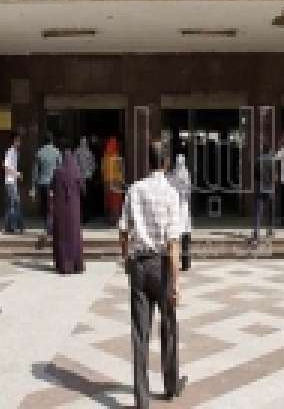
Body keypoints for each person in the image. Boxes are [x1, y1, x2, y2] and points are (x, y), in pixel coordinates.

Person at [118, 141, 187, 409]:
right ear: (166, 163)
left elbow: (123, 230)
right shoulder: (172, 193)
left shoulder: (134, 190)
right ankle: (170, 385)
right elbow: (174, 243)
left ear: (148, 162)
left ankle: (141, 398)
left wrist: (126, 258)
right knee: (169, 326)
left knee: (140, 332)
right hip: (162, 265)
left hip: (139, 264)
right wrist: (176, 283)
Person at [51, 147, 84, 274]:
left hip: (60, 208)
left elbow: (52, 187)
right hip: (74, 208)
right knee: (74, 235)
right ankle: (76, 264)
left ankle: (63, 264)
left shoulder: (57, 172)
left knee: (62, 234)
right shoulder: (76, 171)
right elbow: (82, 188)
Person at [30, 131, 62, 232]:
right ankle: (52, 226)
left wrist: (33, 186)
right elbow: (60, 168)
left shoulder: (39, 152)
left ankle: (47, 225)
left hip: (43, 183)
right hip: (54, 183)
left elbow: (35, 171)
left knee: (45, 206)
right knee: (53, 205)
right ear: (52, 140)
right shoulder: (57, 152)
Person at [169, 154, 192, 271]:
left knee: (176, 237)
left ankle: (175, 262)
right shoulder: (186, 174)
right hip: (183, 207)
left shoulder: (173, 175)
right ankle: (186, 263)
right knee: (185, 237)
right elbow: (188, 191)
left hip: (177, 207)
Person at [252, 143, 276, 243]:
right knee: (270, 210)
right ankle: (270, 230)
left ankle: (256, 231)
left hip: (259, 186)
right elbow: (274, 176)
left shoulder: (258, 160)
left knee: (258, 210)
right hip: (269, 187)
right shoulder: (272, 161)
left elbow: (255, 174)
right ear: (269, 151)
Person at [3, 131, 24, 234]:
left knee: (14, 204)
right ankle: (13, 226)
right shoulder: (10, 152)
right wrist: (17, 174)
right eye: (18, 140)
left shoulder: (15, 153)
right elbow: (6, 167)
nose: (19, 142)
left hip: (13, 182)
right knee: (13, 204)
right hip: (10, 182)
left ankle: (14, 225)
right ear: (14, 141)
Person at [102, 136, 125, 225]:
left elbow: (102, 170)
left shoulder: (105, 157)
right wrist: (121, 180)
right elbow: (120, 170)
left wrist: (105, 179)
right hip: (116, 181)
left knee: (108, 200)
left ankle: (109, 219)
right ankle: (115, 219)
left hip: (107, 181)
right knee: (116, 200)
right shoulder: (117, 156)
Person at [75, 136, 96, 223]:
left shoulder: (77, 152)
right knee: (87, 197)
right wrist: (91, 173)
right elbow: (93, 165)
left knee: (80, 197)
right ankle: (86, 216)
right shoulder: (89, 153)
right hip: (87, 177)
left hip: (79, 177)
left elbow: (75, 165)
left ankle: (80, 216)